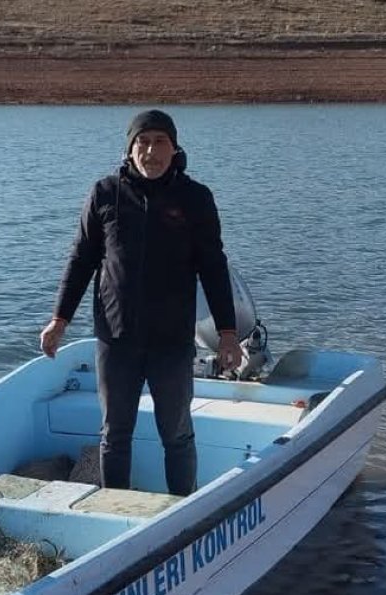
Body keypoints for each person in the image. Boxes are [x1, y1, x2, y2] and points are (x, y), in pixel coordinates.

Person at [39, 110, 240, 496]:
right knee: (114, 434)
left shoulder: (195, 198)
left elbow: (214, 267)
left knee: (177, 434)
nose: (151, 151)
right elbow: (81, 260)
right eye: (143, 142)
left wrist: (228, 334)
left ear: (175, 148)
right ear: (129, 149)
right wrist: (59, 320)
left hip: (172, 340)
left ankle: (183, 508)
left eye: (160, 141)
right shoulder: (104, 193)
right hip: (116, 338)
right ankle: (114, 510)